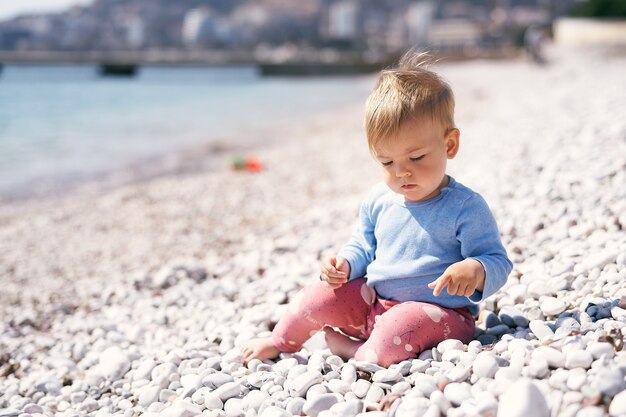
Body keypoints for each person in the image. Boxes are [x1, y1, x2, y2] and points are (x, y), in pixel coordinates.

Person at [241, 52, 513, 367]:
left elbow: (498, 261)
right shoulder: (379, 199)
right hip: (375, 308)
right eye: (387, 162)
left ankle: (356, 351)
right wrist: (344, 264)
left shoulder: (465, 207)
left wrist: (476, 270)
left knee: (402, 324)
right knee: (317, 295)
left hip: (439, 316)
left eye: (416, 158)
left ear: (449, 145)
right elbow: (364, 247)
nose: (402, 172)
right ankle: (280, 341)